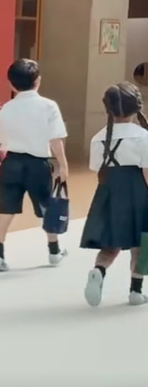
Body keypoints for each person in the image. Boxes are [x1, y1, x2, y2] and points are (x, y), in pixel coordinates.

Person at [0, 58, 69, 271]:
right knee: (45, 208)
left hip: (11, 163)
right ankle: (54, 251)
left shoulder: (6, 108)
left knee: (6, 211)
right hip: (38, 164)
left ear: (11, 84)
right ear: (38, 81)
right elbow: (56, 138)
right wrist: (63, 165)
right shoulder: (48, 106)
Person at [81, 82, 148, 307]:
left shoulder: (99, 138)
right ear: (136, 107)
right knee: (141, 245)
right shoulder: (143, 136)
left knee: (110, 243)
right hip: (139, 194)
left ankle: (99, 270)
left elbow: (96, 168)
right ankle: (135, 291)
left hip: (109, 192)